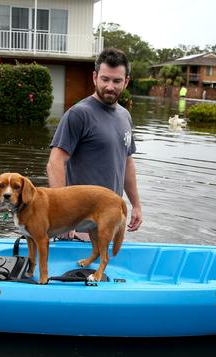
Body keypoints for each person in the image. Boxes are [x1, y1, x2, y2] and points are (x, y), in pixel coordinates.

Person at [47, 48, 142, 240]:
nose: (110, 86)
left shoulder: (125, 116)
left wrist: (136, 205)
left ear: (126, 81)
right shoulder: (79, 114)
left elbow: (127, 163)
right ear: (94, 77)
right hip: (81, 224)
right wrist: (62, 216)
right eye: (105, 79)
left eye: (116, 81)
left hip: (111, 219)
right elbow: (55, 162)